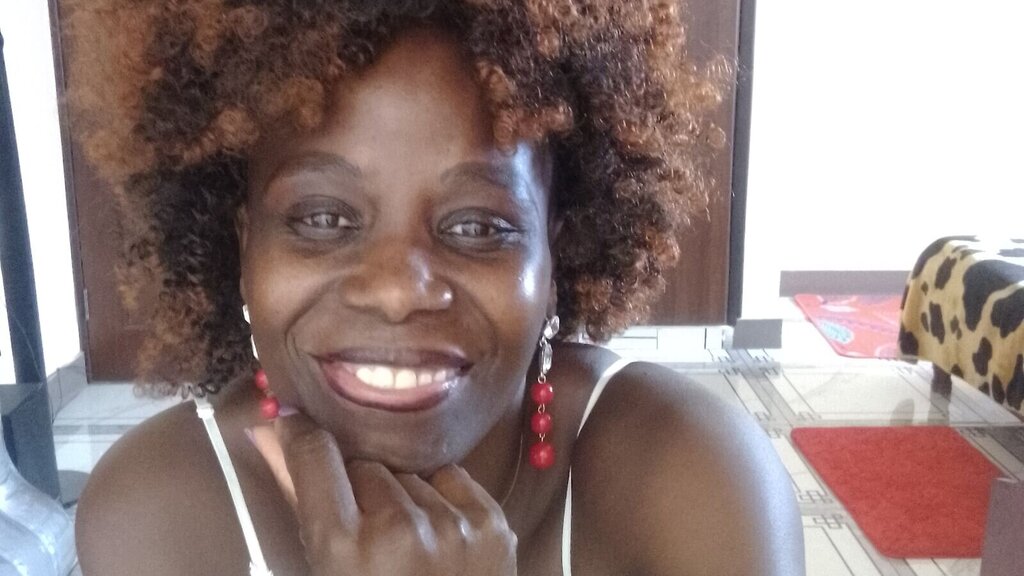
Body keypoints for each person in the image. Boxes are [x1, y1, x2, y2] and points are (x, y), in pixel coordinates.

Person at [66, 1, 804, 574]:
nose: (398, 292)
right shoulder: (154, 512)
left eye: (478, 226)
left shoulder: (697, 479)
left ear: (555, 256)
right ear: (243, 246)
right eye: (322, 218)